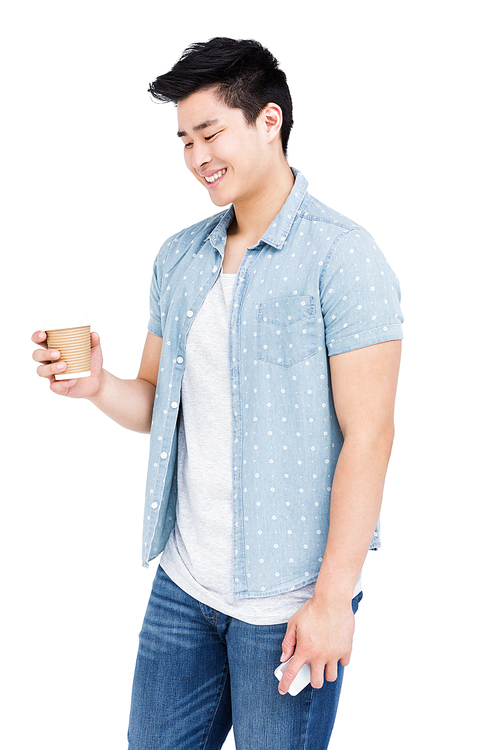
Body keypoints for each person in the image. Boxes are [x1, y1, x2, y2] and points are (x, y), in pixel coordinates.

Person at [32, 37, 403, 750]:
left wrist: (332, 601)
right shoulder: (179, 257)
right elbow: (157, 406)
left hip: (290, 601)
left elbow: (372, 436)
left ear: (269, 121)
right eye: (184, 139)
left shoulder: (343, 256)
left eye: (211, 133)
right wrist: (97, 385)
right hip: (184, 587)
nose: (197, 155)